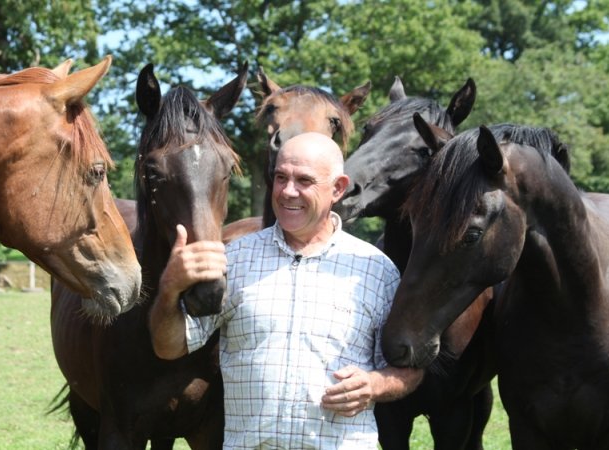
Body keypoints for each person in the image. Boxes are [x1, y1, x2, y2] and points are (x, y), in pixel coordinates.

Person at [149, 132, 423, 449]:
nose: (287, 191)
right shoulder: (234, 259)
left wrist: (375, 384)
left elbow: (409, 371)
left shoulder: (376, 270)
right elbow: (170, 346)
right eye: (281, 177)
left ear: (338, 188)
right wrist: (169, 289)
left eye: (304, 180)